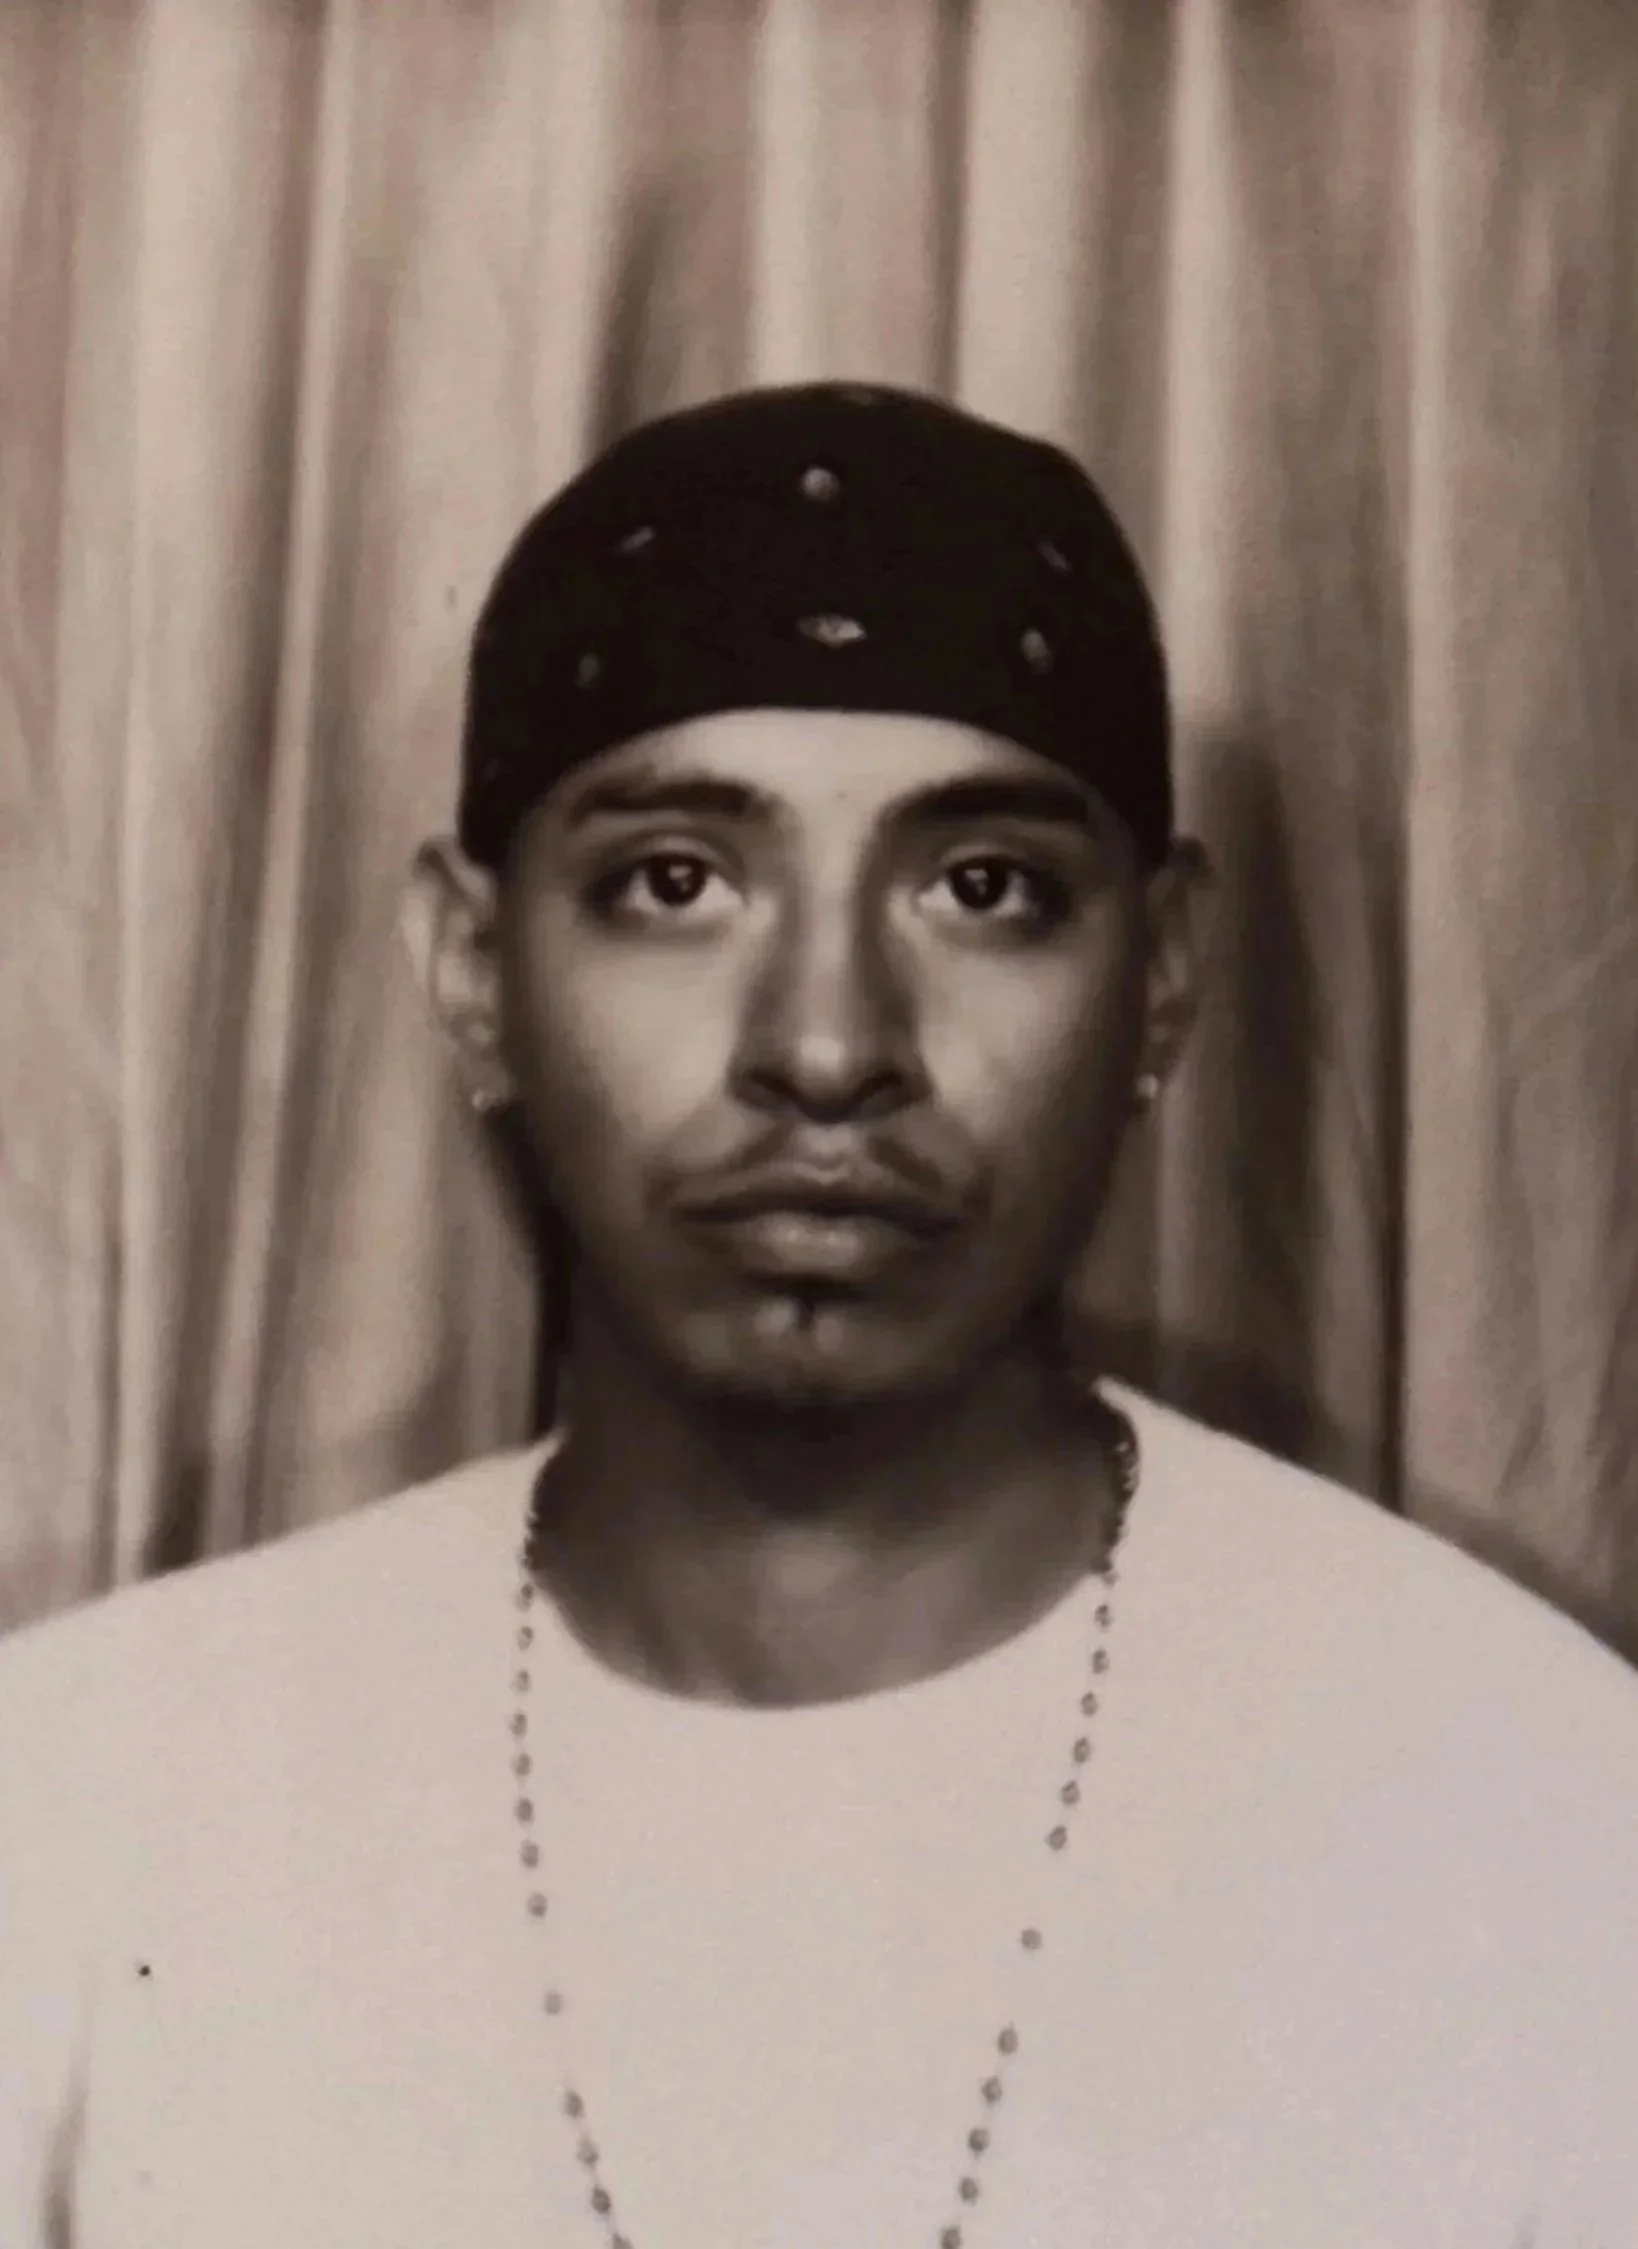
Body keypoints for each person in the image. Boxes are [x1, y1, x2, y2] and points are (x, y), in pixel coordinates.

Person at [3, 383, 1637, 2249]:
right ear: (472, 968)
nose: (830, 1043)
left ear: (1164, 979)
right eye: (674, 883)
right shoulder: (86, 1800)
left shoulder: (1532, 1818)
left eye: (983, 889)